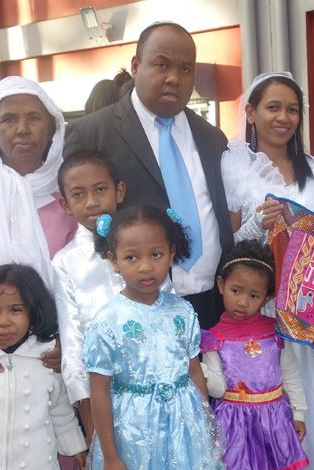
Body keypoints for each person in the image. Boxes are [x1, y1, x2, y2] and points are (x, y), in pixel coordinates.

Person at [221, 71, 314, 470]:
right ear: (252, 112)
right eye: (273, 107)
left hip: (313, 307)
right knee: (270, 398)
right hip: (263, 307)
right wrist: (259, 226)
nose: (283, 117)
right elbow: (231, 240)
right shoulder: (236, 165)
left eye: (292, 109)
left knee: (309, 395)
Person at [64, 21, 233, 329]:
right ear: (135, 65)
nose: (174, 78)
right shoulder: (91, 133)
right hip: (135, 312)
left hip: (213, 306)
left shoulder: (212, 137)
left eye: (186, 69)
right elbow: (74, 227)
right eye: (161, 65)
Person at [83, 205, 221, 470]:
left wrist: (205, 429)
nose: (145, 266)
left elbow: (194, 371)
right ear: (114, 260)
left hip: (184, 429)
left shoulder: (182, 311)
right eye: (131, 257)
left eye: (155, 255)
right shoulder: (107, 321)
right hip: (133, 434)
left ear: (171, 253)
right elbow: (98, 390)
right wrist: (110, 457)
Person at [0, 77, 76, 383]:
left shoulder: (71, 190)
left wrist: (73, 338)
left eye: (34, 118)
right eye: (9, 119)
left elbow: (83, 274)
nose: (22, 129)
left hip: (52, 345)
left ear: (51, 128)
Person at [0, 264, 87, 470]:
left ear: (34, 310)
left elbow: (61, 413)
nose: (4, 321)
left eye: (16, 309)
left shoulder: (46, 359)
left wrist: (78, 449)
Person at [201, 240, 309, 470]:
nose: (242, 302)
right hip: (234, 428)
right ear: (221, 285)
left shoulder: (275, 332)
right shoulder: (215, 338)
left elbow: (290, 374)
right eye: (236, 290)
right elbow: (217, 389)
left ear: (267, 296)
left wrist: (299, 413)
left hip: (275, 423)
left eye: (253, 295)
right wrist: (201, 371)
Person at [53, 150, 128, 445]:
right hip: (103, 396)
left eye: (100, 189)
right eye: (78, 194)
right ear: (65, 204)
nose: (92, 202)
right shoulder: (65, 262)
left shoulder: (146, 244)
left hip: (158, 388)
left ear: (118, 191)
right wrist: (90, 418)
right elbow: (72, 345)